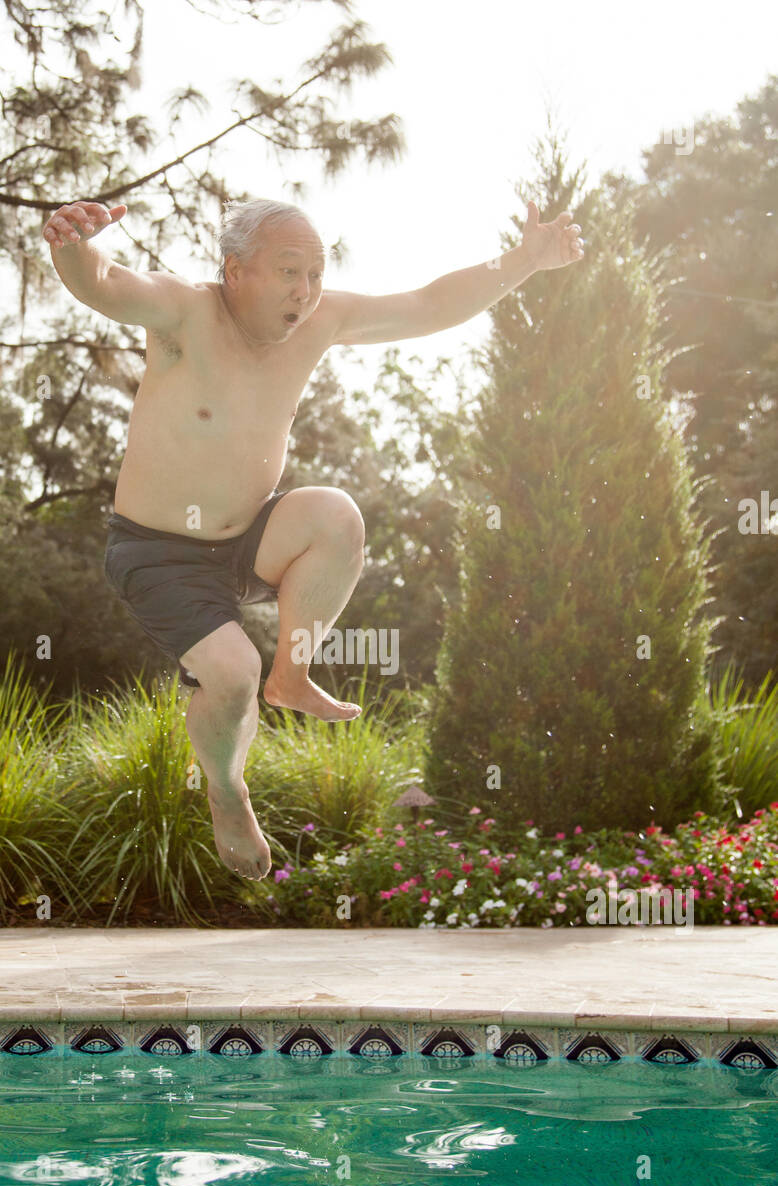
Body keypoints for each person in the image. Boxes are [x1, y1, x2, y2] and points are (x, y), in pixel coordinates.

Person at [43, 195, 584, 879]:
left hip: (245, 538)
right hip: (156, 550)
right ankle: (226, 786)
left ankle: (292, 675)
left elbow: (426, 304)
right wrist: (71, 244)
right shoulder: (186, 312)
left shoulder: (321, 321)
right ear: (235, 272)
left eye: (317, 274)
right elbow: (105, 282)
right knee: (232, 675)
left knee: (336, 516)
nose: (306, 292)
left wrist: (525, 261)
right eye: (289, 272)